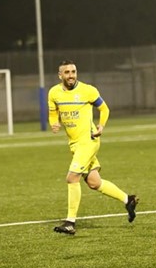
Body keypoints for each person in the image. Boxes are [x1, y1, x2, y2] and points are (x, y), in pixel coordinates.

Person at [48, 60, 138, 235]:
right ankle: (128, 200)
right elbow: (53, 113)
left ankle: (70, 222)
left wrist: (101, 126)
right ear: (60, 75)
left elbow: (104, 109)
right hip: (74, 144)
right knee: (94, 182)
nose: (71, 75)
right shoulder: (54, 93)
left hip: (89, 141)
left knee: (72, 178)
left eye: (73, 71)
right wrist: (54, 123)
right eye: (67, 72)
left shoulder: (88, 90)